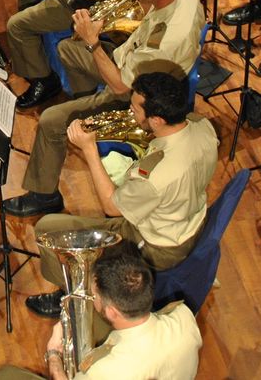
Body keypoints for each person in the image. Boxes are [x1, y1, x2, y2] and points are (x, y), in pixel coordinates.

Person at [3, 0, 205, 218]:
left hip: (136, 96)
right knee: (67, 49)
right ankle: (85, 108)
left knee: (51, 120)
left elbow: (122, 88)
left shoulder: (165, 42)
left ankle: (44, 195)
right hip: (132, 66)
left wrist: (92, 41)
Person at [23, 71, 219, 319]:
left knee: (47, 230)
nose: (130, 111)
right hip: (185, 220)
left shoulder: (155, 176)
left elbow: (111, 207)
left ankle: (74, 298)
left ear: (157, 120)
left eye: (135, 109)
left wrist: (89, 149)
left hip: (155, 246)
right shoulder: (204, 127)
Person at [0, 248, 203, 380]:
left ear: (112, 312)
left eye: (95, 296)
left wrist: (54, 355)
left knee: (3, 376)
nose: (92, 298)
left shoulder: (102, 372)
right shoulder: (184, 317)